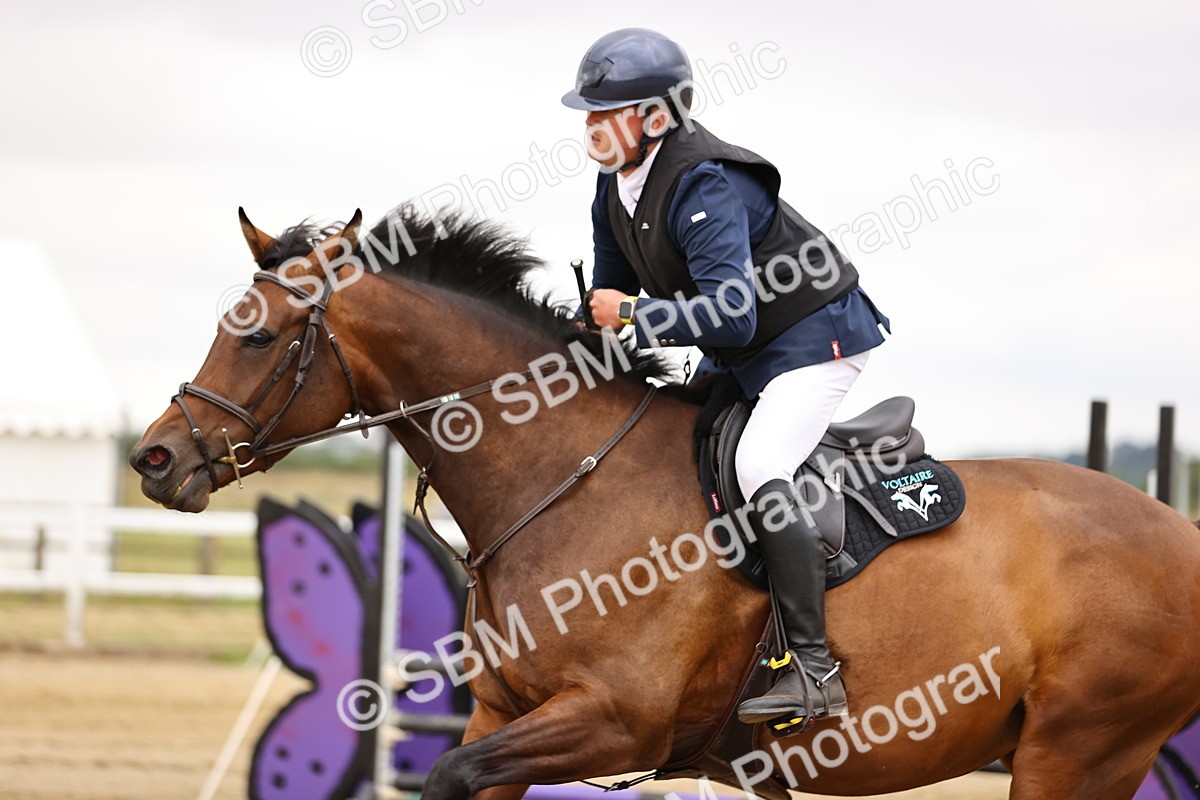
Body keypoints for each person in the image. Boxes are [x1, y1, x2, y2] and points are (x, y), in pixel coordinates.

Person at [562, 28, 891, 727]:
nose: (589, 125)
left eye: (603, 111)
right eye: (587, 111)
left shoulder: (703, 180)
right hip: (749, 351)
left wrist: (634, 313)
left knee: (758, 461)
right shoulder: (613, 187)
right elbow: (611, 299)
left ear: (654, 118)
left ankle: (813, 668)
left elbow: (731, 317)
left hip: (814, 337)